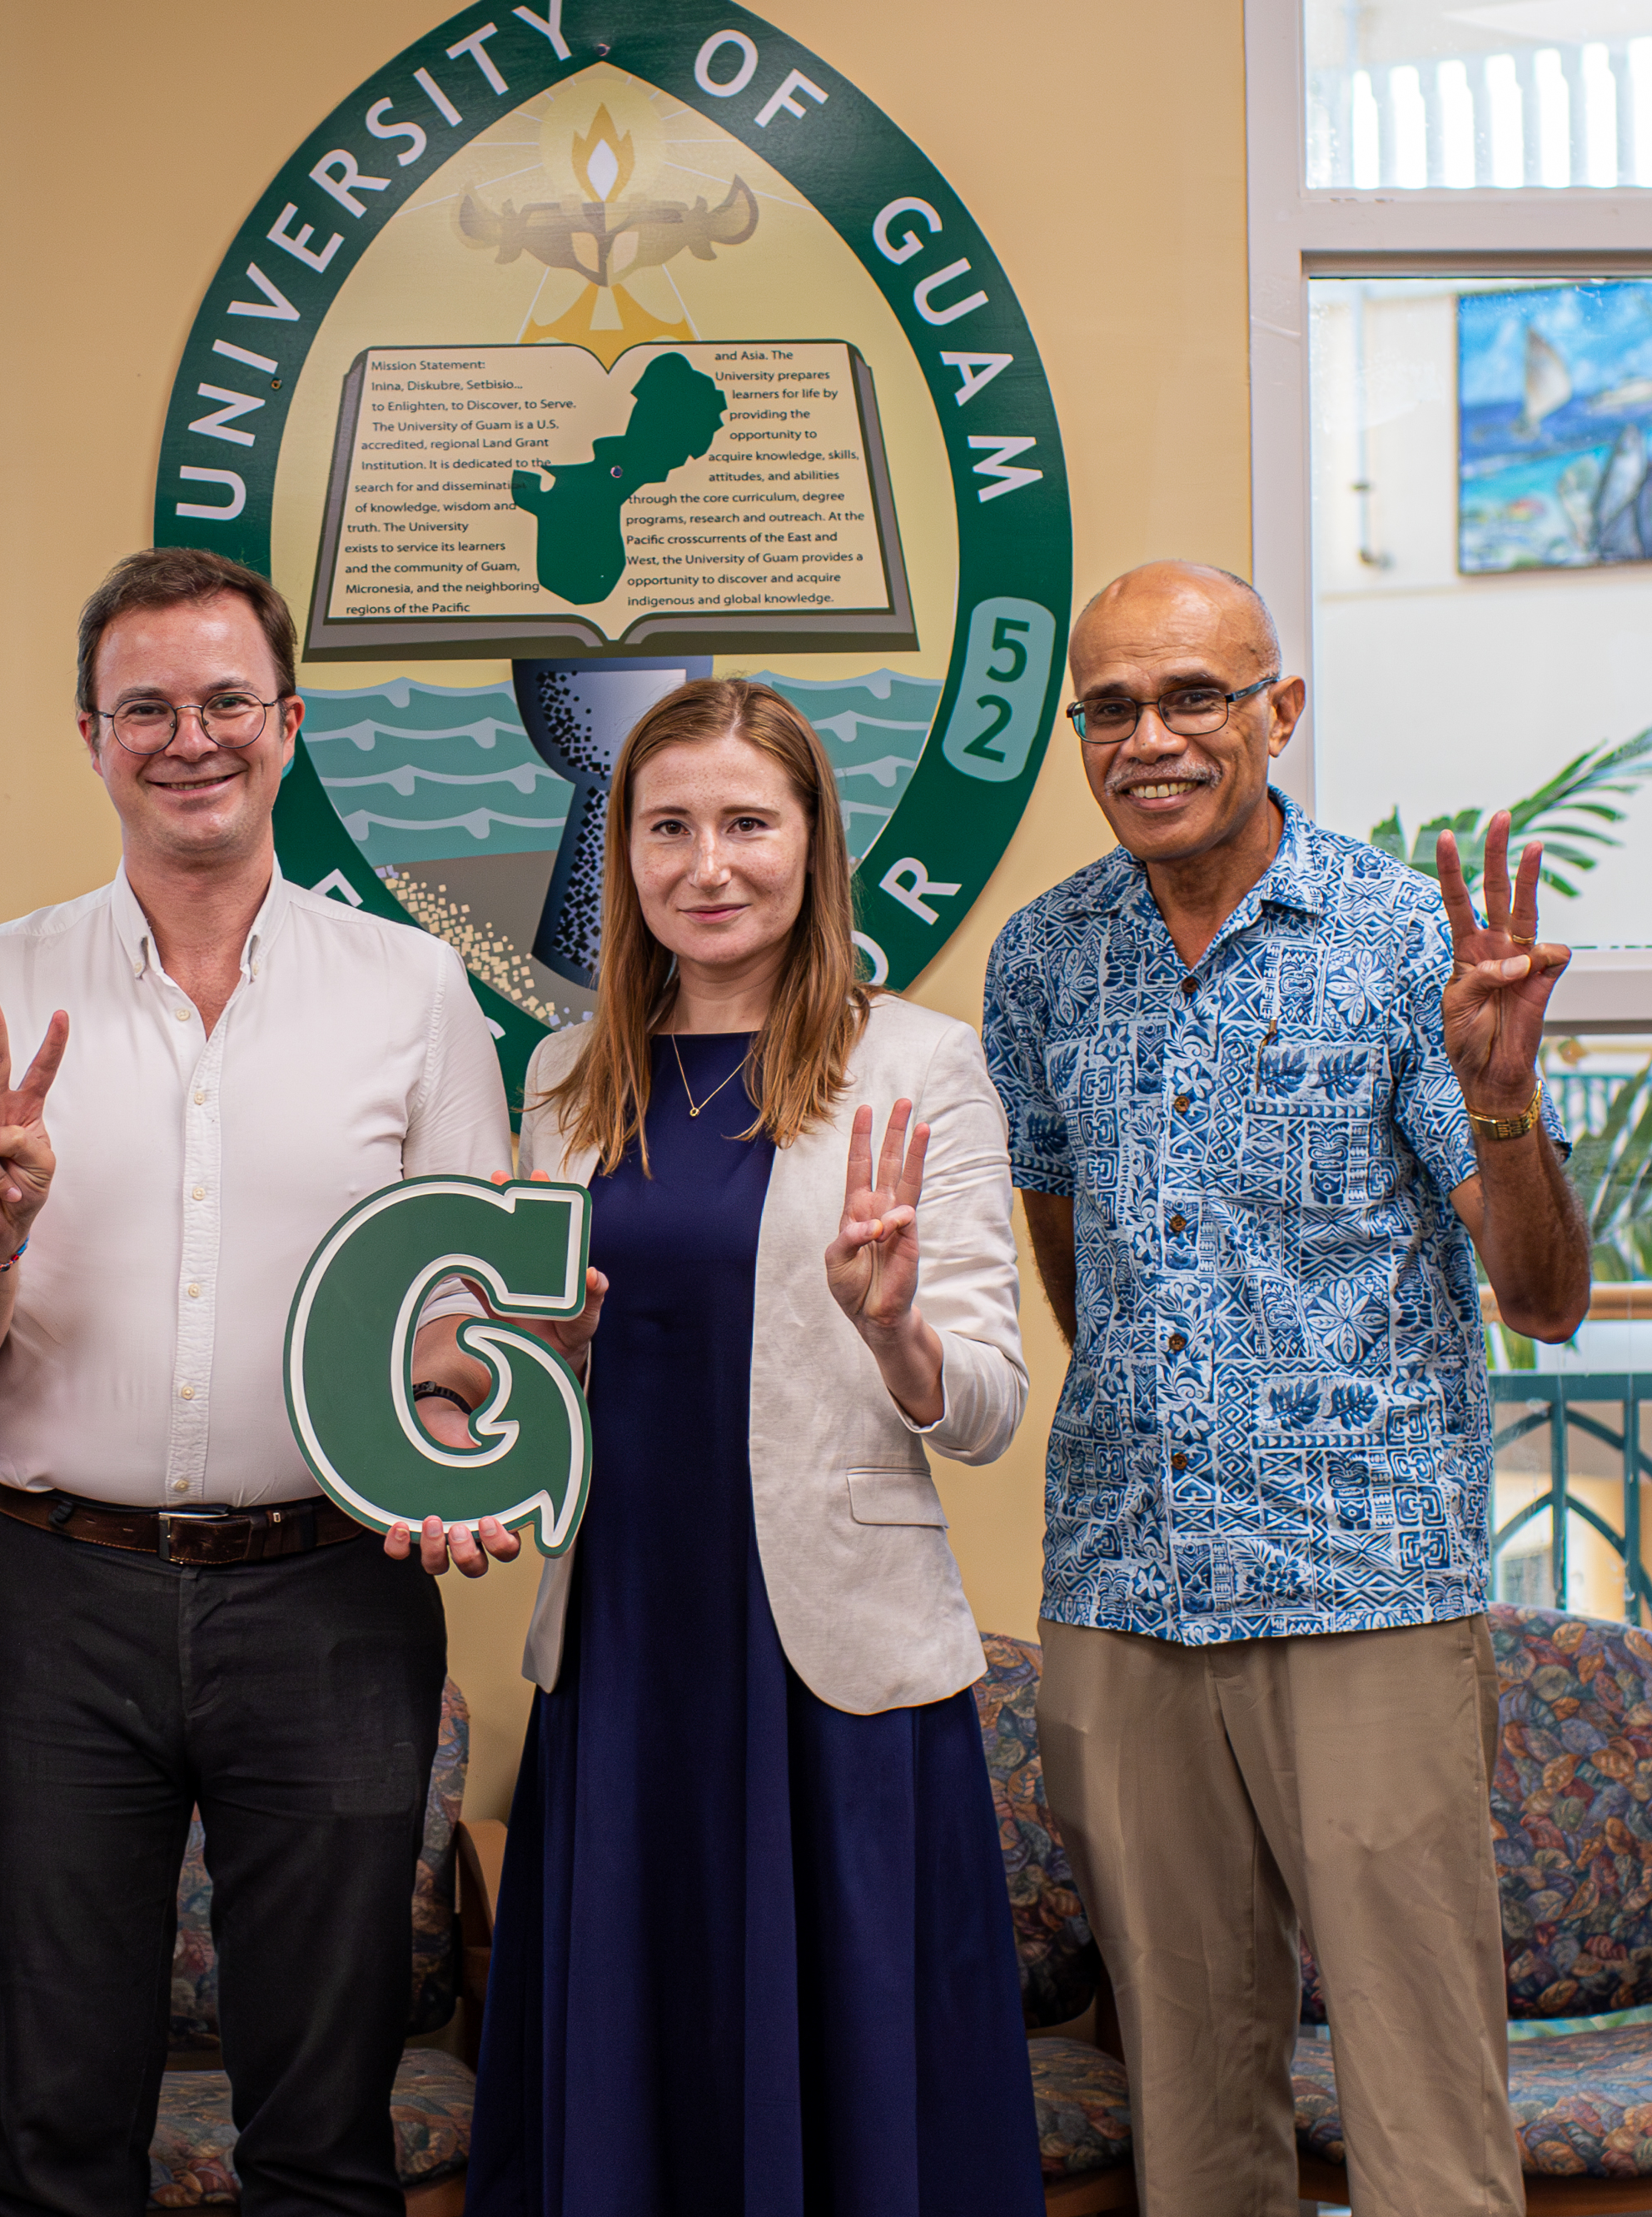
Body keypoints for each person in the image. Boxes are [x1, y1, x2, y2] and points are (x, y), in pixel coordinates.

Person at [0, 546, 512, 2217]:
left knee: (325, 2124)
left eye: (227, 699)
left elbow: (460, 1327)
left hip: (330, 1594)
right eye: (144, 705)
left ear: (288, 722)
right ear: (89, 736)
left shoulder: (412, 989)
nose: (190, 735)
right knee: (58, 2125)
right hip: (52, 1595)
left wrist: (491, 1401)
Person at [982, 560, 1592, 2217]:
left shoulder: (1405, 939)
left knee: (1423, 2109)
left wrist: (1503, 1105)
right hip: (1126, 1587)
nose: (1148, 736)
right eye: (1109, 705)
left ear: (1280, 712)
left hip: (1367, 1588)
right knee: (1187, 2108)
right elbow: (1070, 1240)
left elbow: (1544, 1295)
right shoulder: (1043, 959)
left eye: (1191, 694)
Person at [467, 677, 1043, 2217]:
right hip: (625, 1646)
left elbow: (988, 1405)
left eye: (746, 823)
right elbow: (544, 1406)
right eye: (668, 826)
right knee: (639, 2082)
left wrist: (893, 1325)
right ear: (622, 847)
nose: (706, 863)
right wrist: (549, 1368)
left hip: (829, 1667)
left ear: (812, 842)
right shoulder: (562, 1083)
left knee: (854, 2097)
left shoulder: (920, 1066)